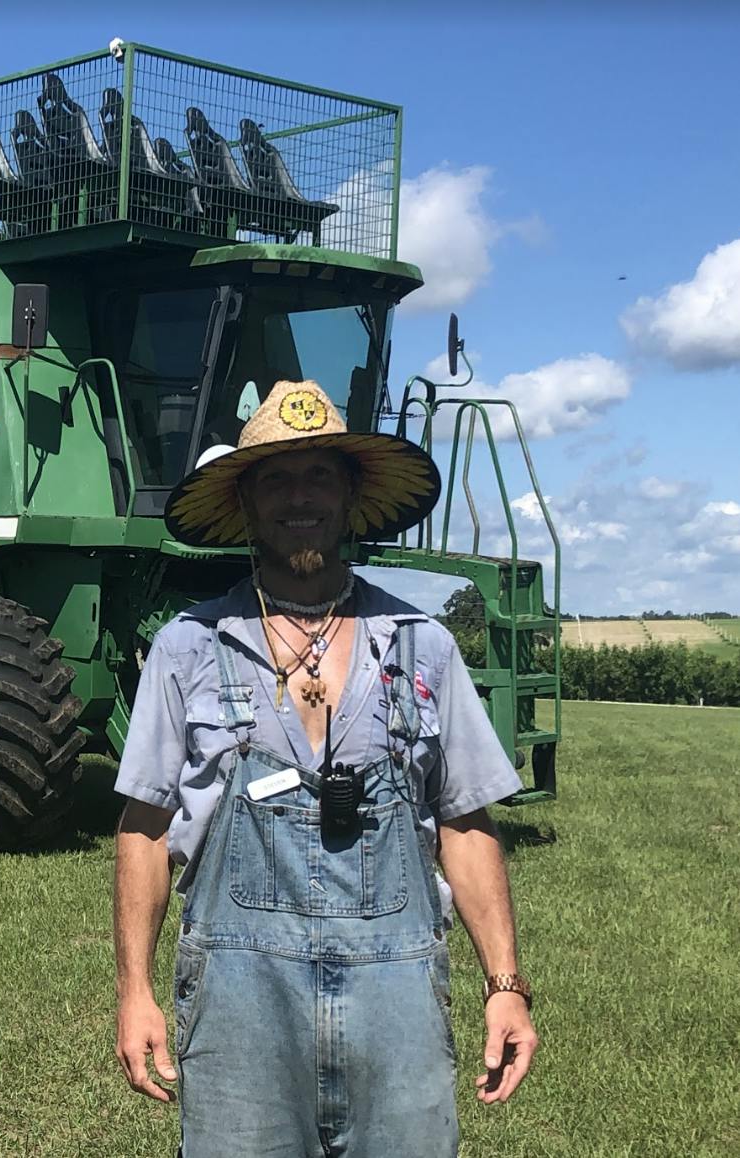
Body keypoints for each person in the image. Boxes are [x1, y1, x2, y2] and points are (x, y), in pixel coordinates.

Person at [112, 380, 538, 1157]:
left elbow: (466, 823)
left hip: (398, 1006)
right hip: (241, 1009)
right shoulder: (188, 646)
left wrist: (505, 986)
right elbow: (143, 825)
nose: (298, 498)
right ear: (244, 503)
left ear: (350, 493)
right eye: (275, 478)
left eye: (318, 476)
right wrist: (134, 991)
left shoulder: (423, 647)